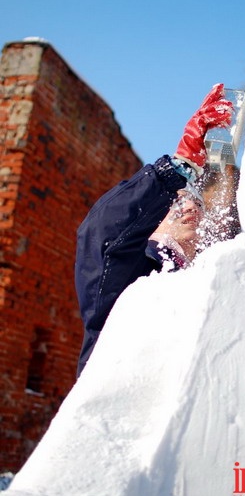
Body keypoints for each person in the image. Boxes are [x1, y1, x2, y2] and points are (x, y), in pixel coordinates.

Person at [75, 83, 233, 375]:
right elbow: (102, 233)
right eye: (175, 203)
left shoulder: (207, 274)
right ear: (151, 221)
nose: (187, 207)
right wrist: (177, 169)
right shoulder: (135, 268)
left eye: (194, 202)